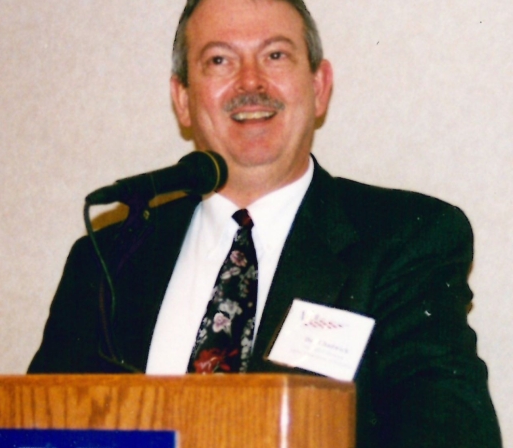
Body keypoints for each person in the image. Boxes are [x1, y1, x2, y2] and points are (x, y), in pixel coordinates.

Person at [28, 0, 502, 446]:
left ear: (318, 87)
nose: (249, 83)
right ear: (183, 99)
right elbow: (33, 431)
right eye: (219, 61)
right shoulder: (106, 259)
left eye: (275, 55)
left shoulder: (406, 239)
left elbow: (452, 435)